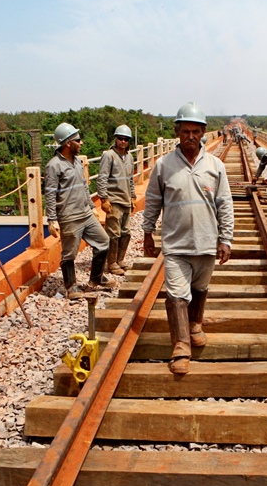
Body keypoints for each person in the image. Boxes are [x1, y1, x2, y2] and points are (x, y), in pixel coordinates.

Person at [143, 102, 234, 374]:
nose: (190, 136)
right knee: (177, 295)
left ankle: (195, 324)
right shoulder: (163, 166)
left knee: (200, 289)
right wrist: (147, 231)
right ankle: (181, 346)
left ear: (204, 132)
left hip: (206, 242)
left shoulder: (215, 165)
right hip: (175, 244)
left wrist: (225, 239)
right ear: (177, 132)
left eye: (195, 131)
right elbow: (152, 200)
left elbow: (225, 204)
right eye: (185, 131)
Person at [45, 122, 111, 300]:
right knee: (69, 253)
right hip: (69, 216)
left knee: (103, 242)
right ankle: (71, 287)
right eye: (78, 140)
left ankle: (96, 279)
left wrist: (91, 206)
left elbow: (83, 186)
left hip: (85, 213)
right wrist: (51, 220)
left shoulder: (78, 162)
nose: (81, 143)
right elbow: (50, 194)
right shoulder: (54, 166)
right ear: (68, 143)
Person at [97, 125, 137, 276]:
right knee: (113, 233)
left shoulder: (129, 157)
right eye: (120, 138)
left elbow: (130, 179)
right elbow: (102, 178)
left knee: (125, 232)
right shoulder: (109, 156)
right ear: (115, 139)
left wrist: (133, 196)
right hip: (114, 200)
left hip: (126, 200)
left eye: (126, 139)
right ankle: (111, 263)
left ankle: (120, 260)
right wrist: (104, 198)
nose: (123, 141)